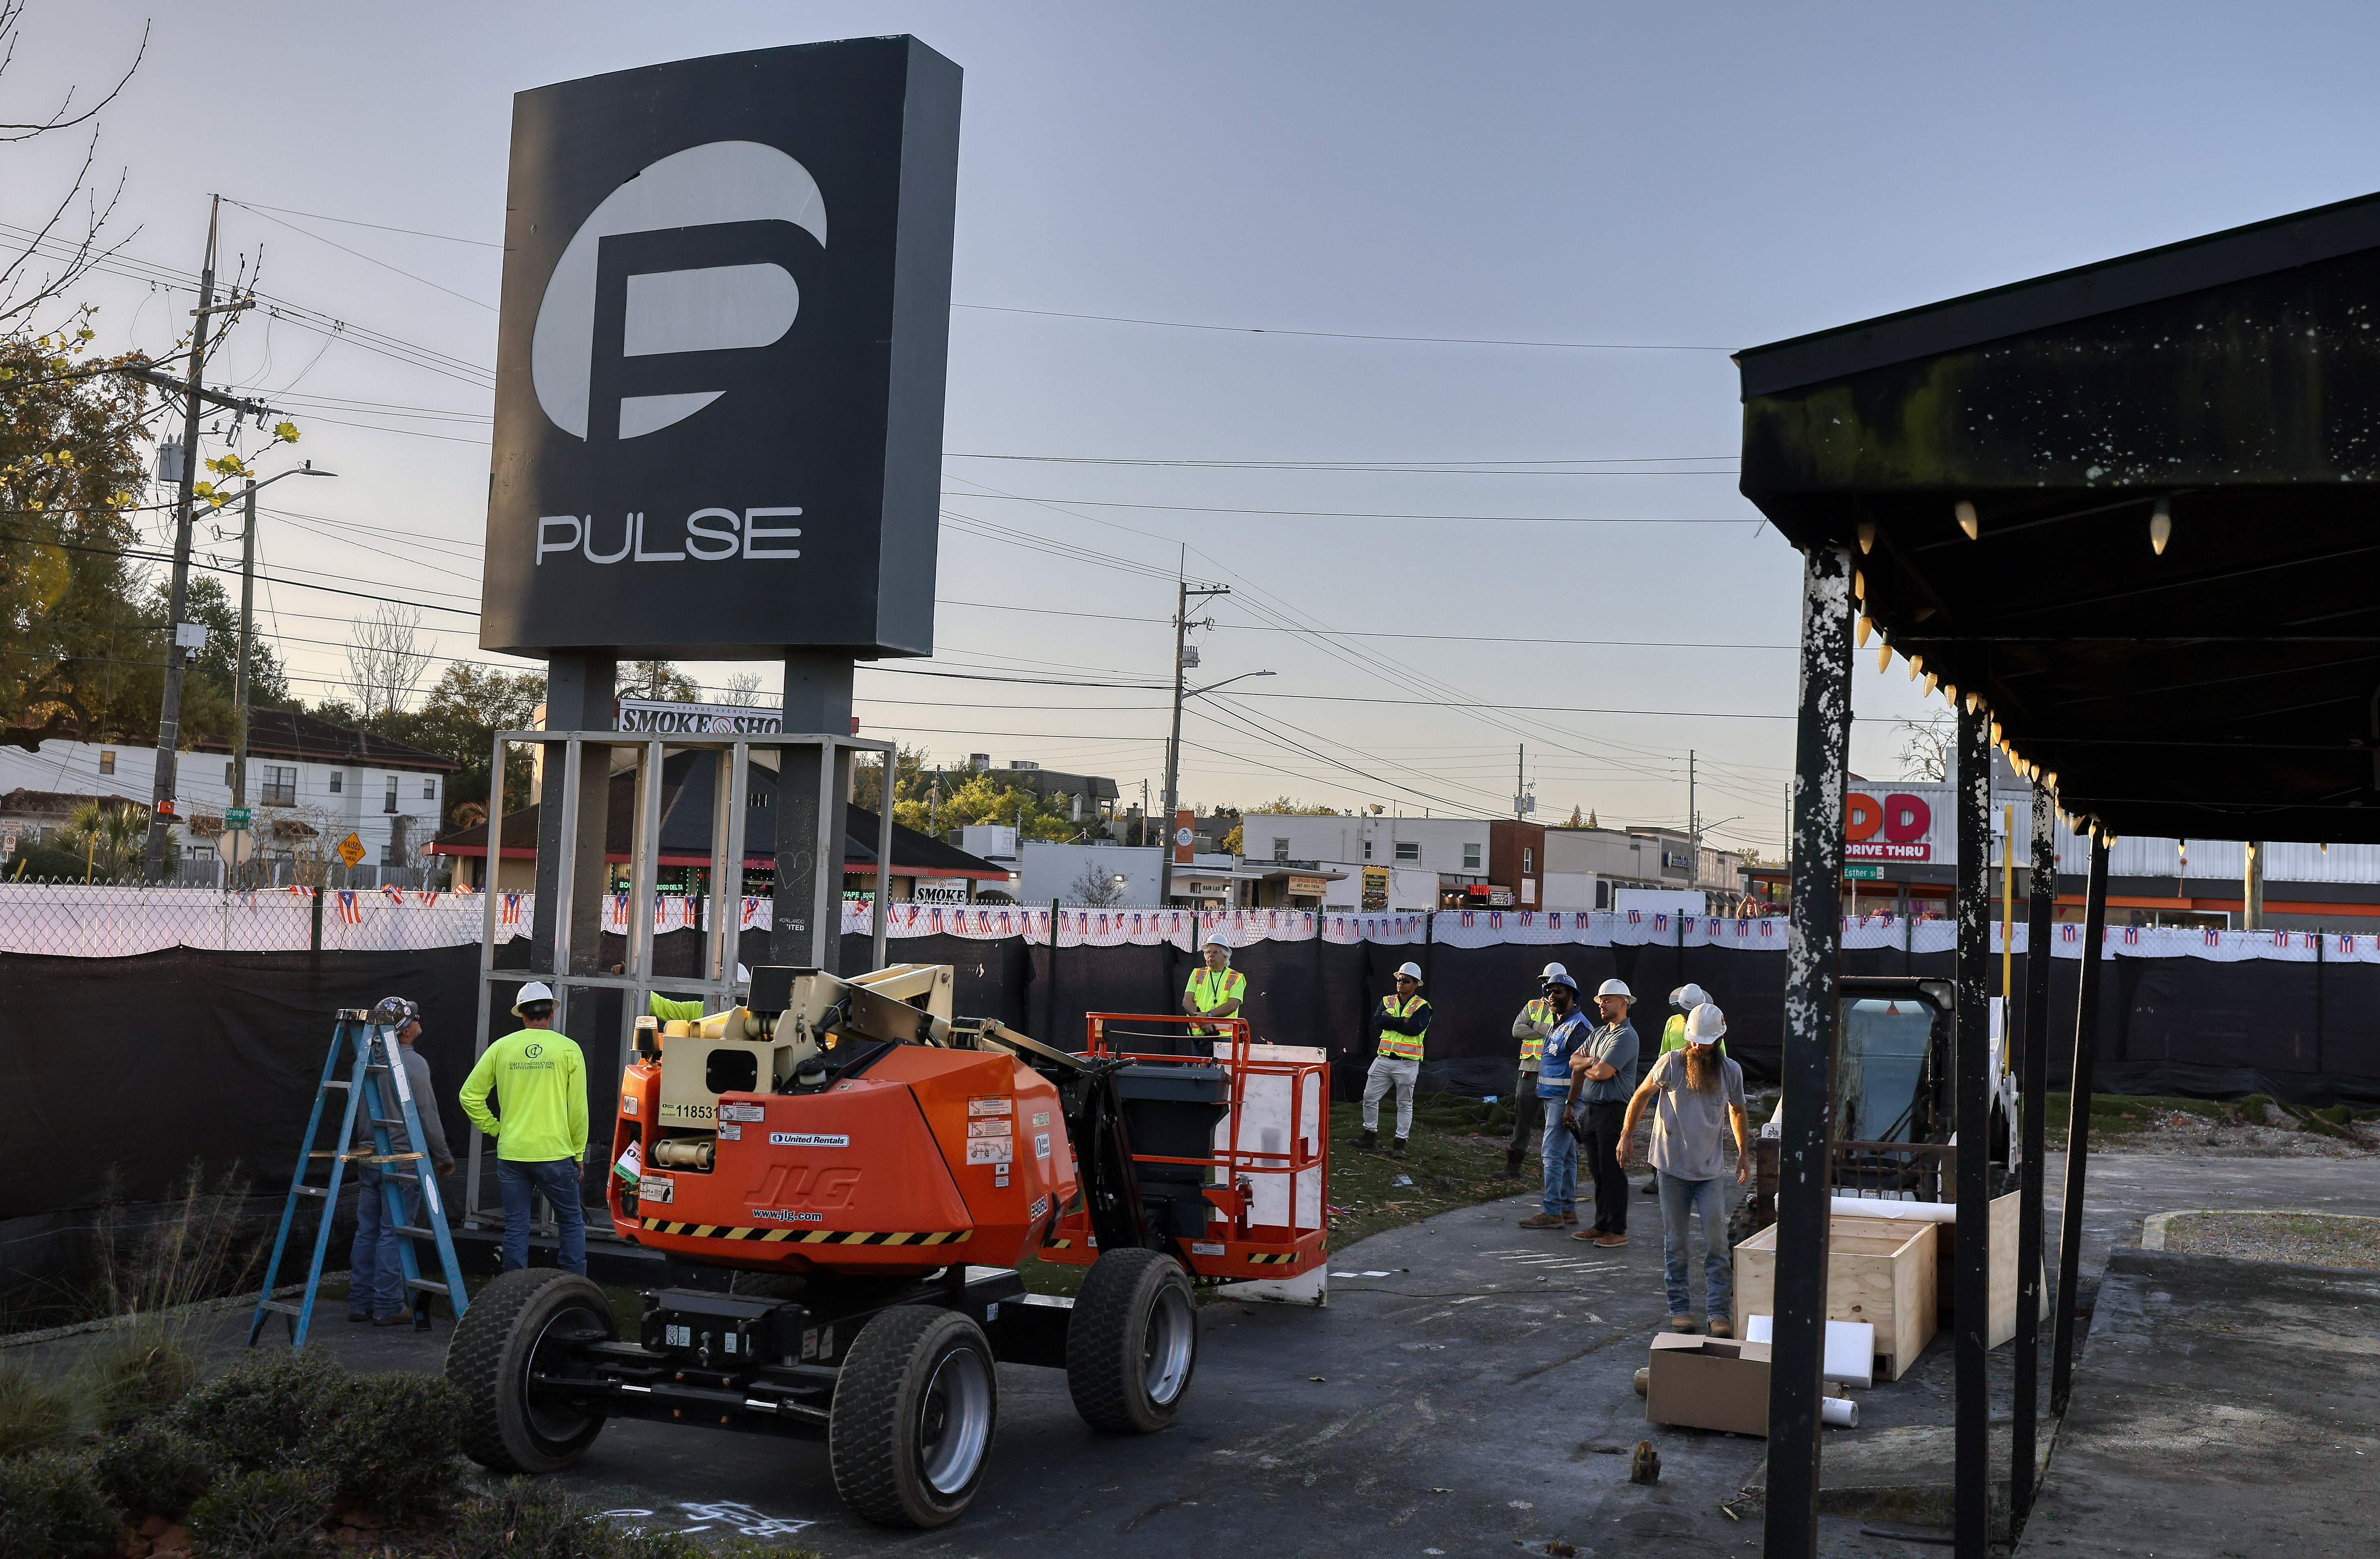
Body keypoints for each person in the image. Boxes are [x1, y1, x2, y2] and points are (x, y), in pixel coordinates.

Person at [1619, 1002, 1750, 1333]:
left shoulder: (1730, 1071)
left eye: (1702, 1042)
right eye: (1692, 1040)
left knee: (1718, 1245)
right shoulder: (1672, 1063)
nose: (1696, 1047)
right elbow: (1641, 1095)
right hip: (1672, 1168)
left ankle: (1719, 1314)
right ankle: (1680, 1309)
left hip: (1709, 1173)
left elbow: (1737, 1111)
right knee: (1676, 1245)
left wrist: (1744, 1153)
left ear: (1718, 1040)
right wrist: (1626, 1136)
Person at [459, 981, 589, 1276]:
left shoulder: (502, 1048)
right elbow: (578, 1110)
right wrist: (578, 1152)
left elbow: (469, 1095)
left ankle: (513, 1288)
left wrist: (495, 1129)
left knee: (516, 1225)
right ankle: (573, 1287)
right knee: (570, 1221)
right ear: (552, 1014)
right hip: (556, 1154)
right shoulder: (569, 1050)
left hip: (513, 1153)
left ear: (522, 1016)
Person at [348, 996, 451, 1330]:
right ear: (406, 1030)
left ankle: (360, 1303)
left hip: (369, 1158)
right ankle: (388, 1305)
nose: (421, 1022)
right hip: (403, 1161)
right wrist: (443, 1155)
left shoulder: (364, 1058)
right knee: (393, 1235)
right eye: (416, 1019)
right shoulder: (414, 1064)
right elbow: (427, 1114)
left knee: (367, 1232)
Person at [1566, 978, 1641, 1246]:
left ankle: (1617, 1230)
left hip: (1613, 1111)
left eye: (1607, 1000)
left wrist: (1588, 1066)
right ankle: (1601, 1224)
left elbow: (1603, 1072)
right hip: (1592, 1110)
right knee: (1598, 1172)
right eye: (1600, 1000)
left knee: (1613, 1172)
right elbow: (1575, 1061)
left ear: (1624, 1004)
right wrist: (1590, 1063)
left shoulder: (1626, 1036)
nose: (1602, 1004)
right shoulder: (1598, 1034)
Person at [1517, 972, 1591, 1229]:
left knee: (1551, 1155)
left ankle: (1551, 1212)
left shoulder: (1578, 1028)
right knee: (1567, 1155)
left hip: (1565, 1100)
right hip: (1557, 1099)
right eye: (1549, 991)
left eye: (1558, 992)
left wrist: (1571, 1105)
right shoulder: (1559, 1024)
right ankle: (1568, 1209)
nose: (1551, 996)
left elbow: (1581, 1069)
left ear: (1572, 996)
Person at [1645, 983, 1726, 1196]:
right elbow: (1664, 1051)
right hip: (1674, 1083)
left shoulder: (1709, 1024)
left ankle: (1698, 1177)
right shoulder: (1672, 1022)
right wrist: (1659, 1078)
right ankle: (1659, 1177)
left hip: (1702, 1084)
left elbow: (1721, 1056)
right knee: (1665, 1128)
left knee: (1696, 1130)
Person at [1348, 961, 1430, 1160]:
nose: (1401, 983)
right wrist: (1403, 1021)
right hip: (1383, 1059)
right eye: (1399, 979)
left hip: (1407, 1063)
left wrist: (1391, 1021)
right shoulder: (1387, 1000)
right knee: (1369, 1097)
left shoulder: (1423, 1006)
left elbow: (1415, 1029)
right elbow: (1378, 1021)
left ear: (1415, 985)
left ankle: (1400, 1144)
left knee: (1404, 1104)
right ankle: (1369, 1136)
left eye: (1406, 980)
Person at [1498, 961, 1569, 1180]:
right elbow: (1517, 1030)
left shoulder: (1569, 1009)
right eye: (1545, 983)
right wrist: (1547, 1030)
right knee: (1523, 1120)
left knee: (1557, 1123)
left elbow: (1563, 1033)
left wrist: (1537, 1026)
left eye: (1553, 983)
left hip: (1556, 1072)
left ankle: (1559, 1171)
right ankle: (1513, 1167)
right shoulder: (1533, 1006)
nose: (1548, 987)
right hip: (1529, 1070)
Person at [1181, 935, 1246, 1042]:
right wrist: (1202, 1021)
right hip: (1198, 1035)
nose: (1210, 955)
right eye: (1208, 952)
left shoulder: (1236, 978)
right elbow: (1187, 1002)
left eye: (1215, 952)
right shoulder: (1197, 973)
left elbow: (1232, 1005)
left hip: (1223, 1036)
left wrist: (1208, 1017)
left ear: (1225, 956)